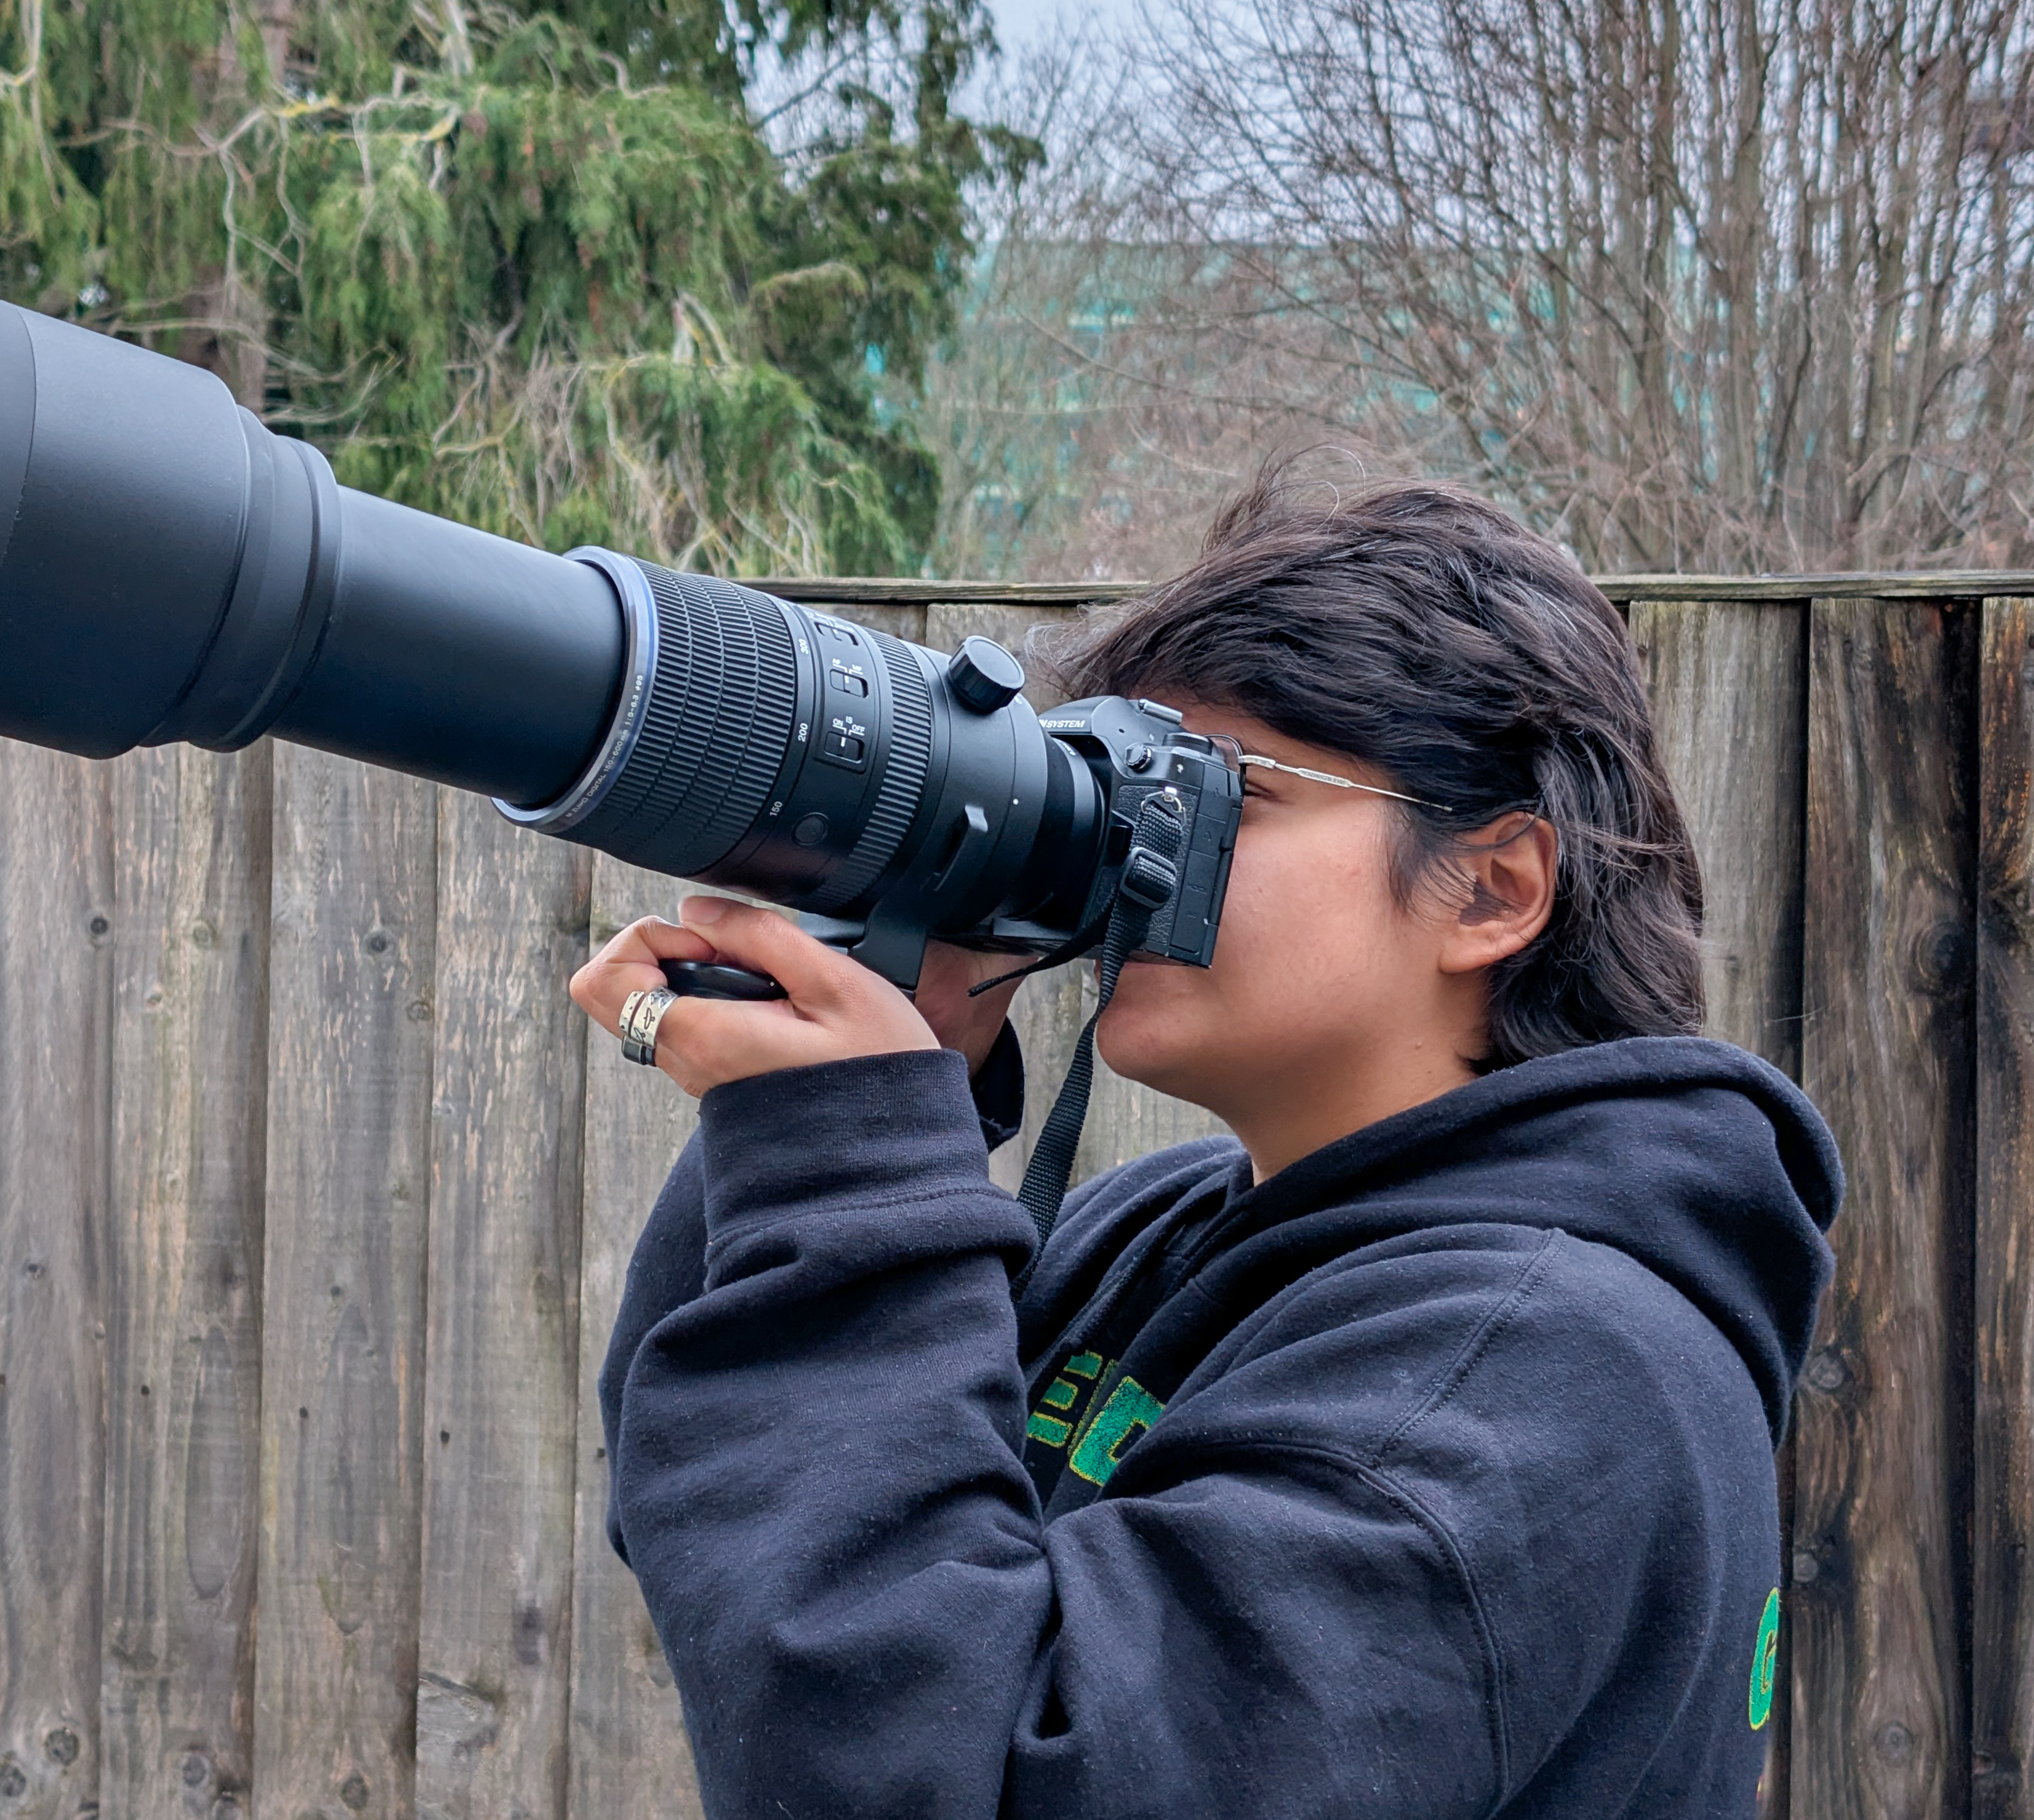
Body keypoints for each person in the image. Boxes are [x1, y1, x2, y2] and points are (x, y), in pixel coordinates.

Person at [566, 477, 1842, 1819]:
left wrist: (838, 1159)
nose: (1133, 853)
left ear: (1492, 887)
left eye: (1218, 790)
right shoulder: (1163, 1234)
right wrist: (863, 1087)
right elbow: (753, 1549)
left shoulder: (1543, 1369)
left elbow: (962, 1778)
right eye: (1120, 784)